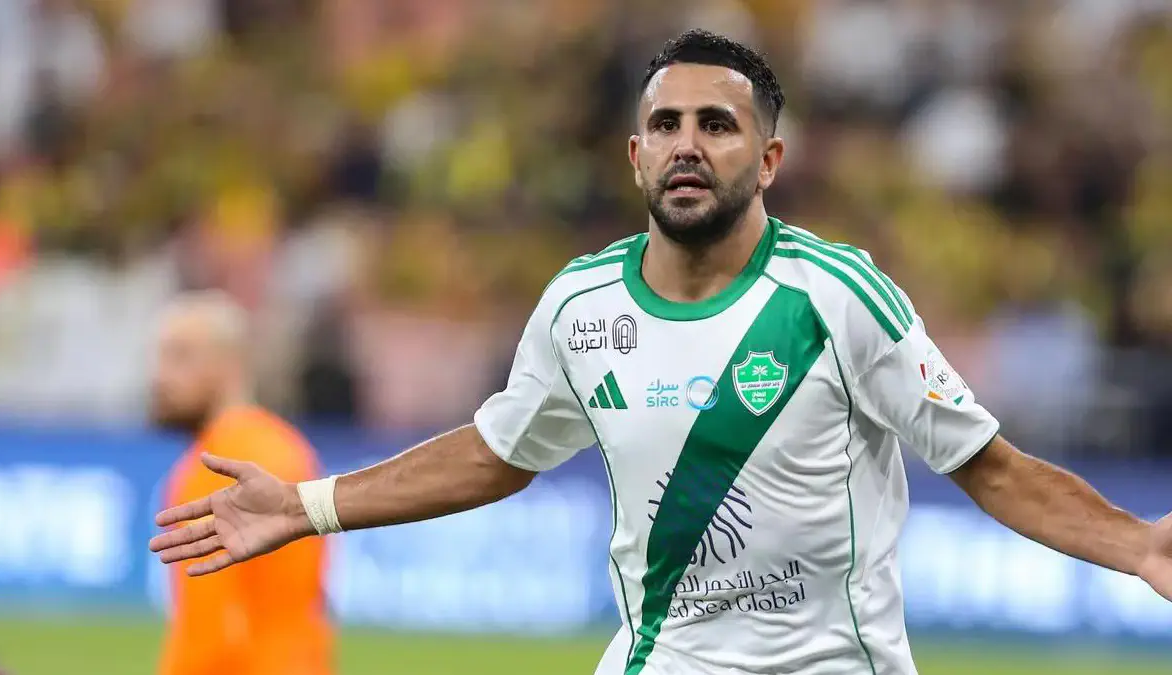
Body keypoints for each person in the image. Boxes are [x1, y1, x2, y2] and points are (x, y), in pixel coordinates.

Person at [150, 30, 1172, 675]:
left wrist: (1138, 547)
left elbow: (990, 467)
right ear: (636, 155)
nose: (688, 142)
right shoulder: (580, 304)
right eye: (666, 124)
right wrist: (309, 505)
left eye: (718, 125)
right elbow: (497, 452)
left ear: (768, 160)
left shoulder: (835, 294)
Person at [150, 291, 333, 675]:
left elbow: (214, 628)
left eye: (180, 356)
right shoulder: (282, 446)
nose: (160, 376)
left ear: (229, 365)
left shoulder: (222, 465)